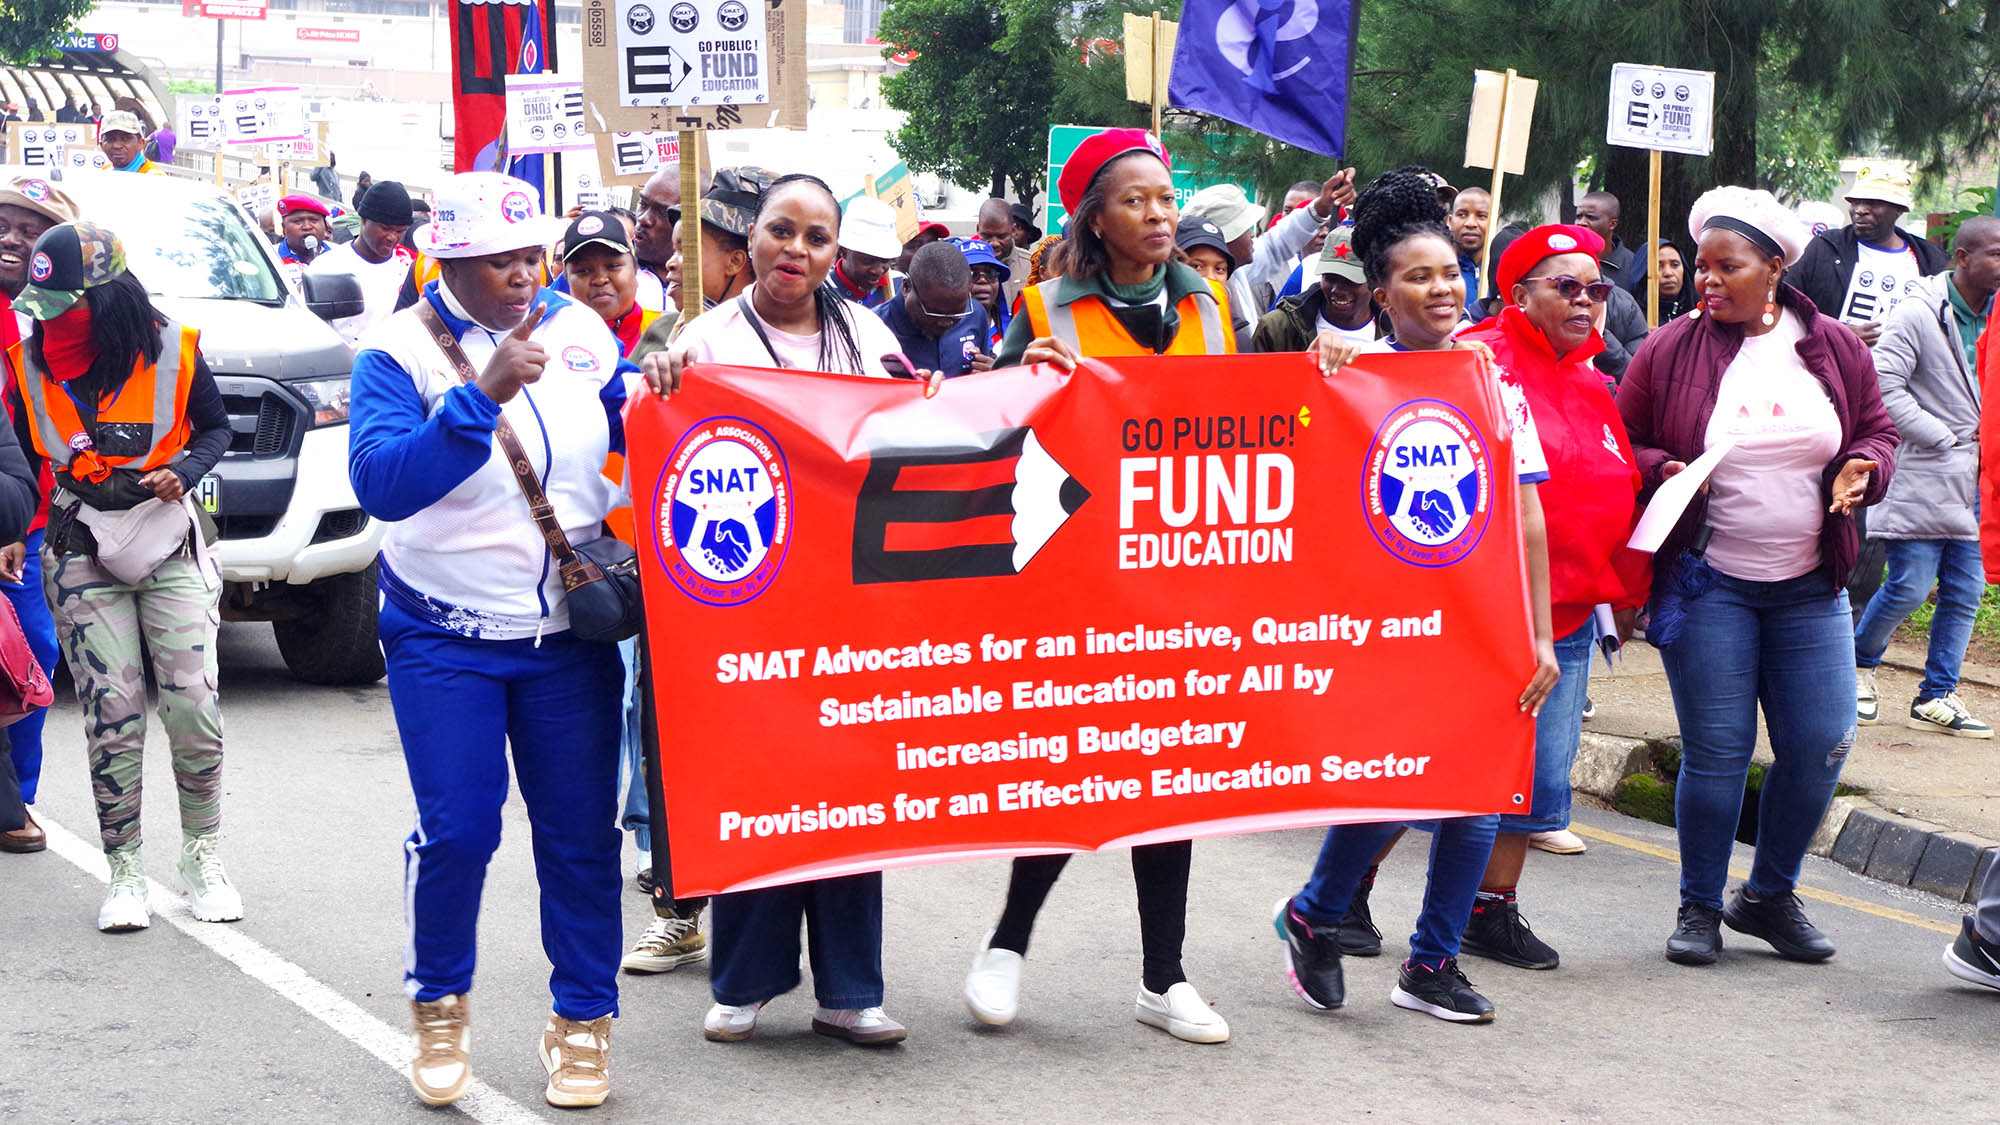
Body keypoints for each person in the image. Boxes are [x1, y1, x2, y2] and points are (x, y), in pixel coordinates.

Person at [347, 172, 631, 1109]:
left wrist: (663, 387)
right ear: (448, 262)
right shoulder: (395, 351)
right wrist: (481, 396)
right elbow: (384, 485)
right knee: (460, 831)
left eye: (529, 257)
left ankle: (582, 1019)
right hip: (444, 633)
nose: (522, 278)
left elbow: (636, 438)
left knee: (581, 838)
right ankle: (439, 1004)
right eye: (497, 262)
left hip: (568, 637)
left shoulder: (584, 330)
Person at [638, 173, 922, 1049]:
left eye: (817, 237)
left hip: (845, 604)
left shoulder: (868, 336)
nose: (797, 250)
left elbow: (913, 431)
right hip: (745, 608)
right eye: (781, 231)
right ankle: (745, 980)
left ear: (837, 252)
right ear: (747, 240)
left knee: (849, 788)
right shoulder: (707, 339)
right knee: (759, 785)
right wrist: (658, 383)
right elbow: (661, 440)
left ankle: (850, 988)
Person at [1272, 169, 1559, 1024]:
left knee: (1480, 788)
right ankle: (1315, 910)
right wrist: (1317, 382)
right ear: (1381, 293)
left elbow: (1529, 516)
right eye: (1418, 276)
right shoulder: (1349, 374)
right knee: (1393, 785)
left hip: (1485, 620)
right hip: (1383, 628)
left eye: (1450, 273)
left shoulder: (1492, 379)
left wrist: (1538, 633)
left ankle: (1430, 962)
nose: (1442, 288)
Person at [972, 128, 1237, 1045]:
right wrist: (1021, 377)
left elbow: (1251, 427)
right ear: (1094, 217)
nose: (1159, 215)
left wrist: (1321, 376)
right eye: (1136, 201)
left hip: (1182, 587)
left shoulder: (1212, 304)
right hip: (1076, 581)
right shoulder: (1044, 307)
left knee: (1174, 789)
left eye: (1165, 199)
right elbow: (989, 430)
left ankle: (1164, 976)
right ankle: (1006, 944)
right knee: (1069, 777)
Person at [1617, 186, 1900, 967]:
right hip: (1712, 581)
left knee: (1820, 744)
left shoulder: (1836, 345)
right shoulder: (1669, 347)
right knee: (1718, 748)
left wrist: (1862, 467)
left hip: (1813, 585)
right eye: (1701, 266)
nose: (1706, 280)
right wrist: (1664, 467)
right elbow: (1623, 437)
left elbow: (1877, 429)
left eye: (1725, 266)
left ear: (1774, 267)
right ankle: (1700, 905)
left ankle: (1769, 894)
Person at [12, 221, 237, 928]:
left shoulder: (174, 347)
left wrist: (188, 470)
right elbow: (17, 457)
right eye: (42, 305)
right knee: (112, 714)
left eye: (65, 306)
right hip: (81, 544)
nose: (51, 321)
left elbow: (216, 429)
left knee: (193, 707)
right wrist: (14, 532)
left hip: (168, 540)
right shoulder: (27, 362)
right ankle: (126, 869)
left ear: (105, 300)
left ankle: (202, 853)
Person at [1453, 224, 1651, 969]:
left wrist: (1629, 588)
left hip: (1566, 613)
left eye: (1596, 288)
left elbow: (1617, 488)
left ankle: (1491, 909)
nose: (1585, 300)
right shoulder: (1473, 362)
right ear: (1518, 293)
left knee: (1534, 777)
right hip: (1481, 610)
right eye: (1564, 286)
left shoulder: (1595, 379)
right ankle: (1347, 893)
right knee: (1437, 764)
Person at [1852, 217, 2000, 738]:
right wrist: (1940, 436)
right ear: (1961, 258)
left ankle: (1937, 694)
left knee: (1965, 591)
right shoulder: (1918, 313)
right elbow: (1883, 384)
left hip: (1979, 483)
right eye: (1995, 254)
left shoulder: (1997, 317)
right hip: (1923, 474)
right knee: (1910, 586)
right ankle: (1858, 668)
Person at [0, 175, 74, 855]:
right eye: (3, 222)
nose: (11, 237)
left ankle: (17, 794)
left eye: (28, 229)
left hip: (24, 518)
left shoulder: (56, 318)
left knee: (33, 652)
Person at [1792, 166, 1948, 347]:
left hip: (1900, 372)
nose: (1860, 210)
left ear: (1899, 209)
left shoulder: (1929, 262)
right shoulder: (1826, 247)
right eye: (1855, 202)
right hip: (1833, 369)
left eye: (1873, 203)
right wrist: (1838, 333)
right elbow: (1788, 304)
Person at [1184, 172, 1355, 319]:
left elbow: (1276, 244)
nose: (1252, 234)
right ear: (1224, 239)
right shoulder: (1189, 295)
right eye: (1244, 228)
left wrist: (1319, 209)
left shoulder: (1237, 273)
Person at [308, 181, 415, 346]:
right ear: (363, 220)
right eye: (385, 228)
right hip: (344, 367)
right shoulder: (326, 267)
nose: (392, 237)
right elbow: (313, 331)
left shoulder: (411, 266)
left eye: (399, 231)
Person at [877, 240, 992, 377]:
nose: (946, 322)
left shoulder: (975, 315)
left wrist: (991, 374)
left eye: (956, 314)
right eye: (935, 313)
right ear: (907, 287)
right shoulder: (874, 328)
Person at [1254, 225, 1374, 352]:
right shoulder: (1276, 329)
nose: (1337, 290)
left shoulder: (1394, 332)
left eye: (1350, 281)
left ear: (1374, 280)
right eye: (1330, 278)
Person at [833, 196, 904, 309]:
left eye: (885, 260)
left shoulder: (900, 285)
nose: (878, 270)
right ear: (843, 251)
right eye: (867, 261)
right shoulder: (818, 292)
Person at [1575, 191, 1643, 297]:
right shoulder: (1566, 261)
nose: (1581, 223)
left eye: (1591, 217)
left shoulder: (1633, 266)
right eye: (1578, 217)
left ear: (1612, 224)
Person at [975, 198, 1032, 305]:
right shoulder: (963, 265)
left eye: (1001, 236)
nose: (994, 243)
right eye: (987, 236)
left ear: (1013, 230)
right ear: (978, 229)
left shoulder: (1031, 265)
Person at [959, 237, 1011, 350]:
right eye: (971, 273)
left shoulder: (1016, 327)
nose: (982, 280)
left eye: (991, 273)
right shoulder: (943, 330)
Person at [1448, 187, 1492, 319]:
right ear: (1450, 221)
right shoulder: (1436, 269)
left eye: (1481, 216)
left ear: (1494, 221)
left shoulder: (1502, 274)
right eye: (1462, 214)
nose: (1470, 223)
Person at [275, 194, 332, 274]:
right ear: (284, 228)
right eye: (297, 221)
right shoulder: (270, 257)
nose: (307, 227)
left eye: (314, 221)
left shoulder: (341, 254)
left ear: (325, 226)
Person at [97, 111, 164, 175]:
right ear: (101, 145)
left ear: (141, 143)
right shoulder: (105, 172)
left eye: (125, 139)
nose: (117, 146)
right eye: (110, 139)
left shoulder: (155, 178)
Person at [1651, 241, 1695, 319]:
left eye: (1675, 265)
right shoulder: (1632, 317)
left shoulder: (1700, 313)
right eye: (1659, 266)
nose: (1668, 273)